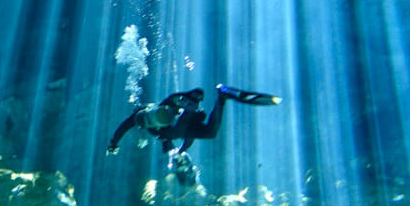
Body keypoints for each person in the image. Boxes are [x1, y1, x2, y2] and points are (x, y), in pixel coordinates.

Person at [107, 84, 280, 158]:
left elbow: (122, 128)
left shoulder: (160, 112)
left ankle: (208, 98)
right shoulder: (159, 127)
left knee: (173, 129)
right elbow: (187, 135)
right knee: (211, 133)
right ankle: (222, 97)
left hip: (188, 116)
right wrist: (181, 151)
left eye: (147, 119)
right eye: (146, 121)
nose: (147, 122)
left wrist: (114, 143)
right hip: (190, 119)